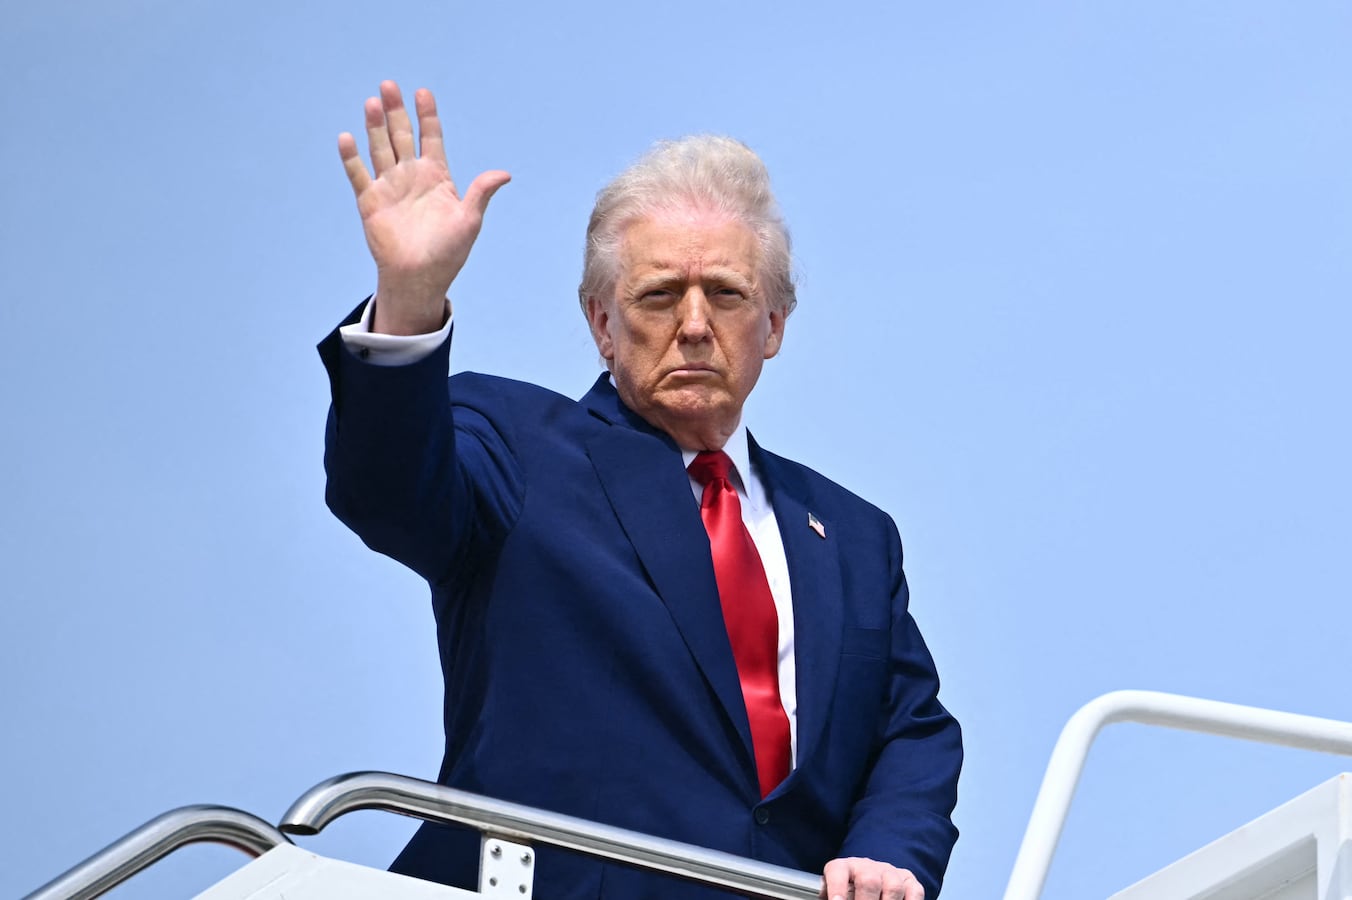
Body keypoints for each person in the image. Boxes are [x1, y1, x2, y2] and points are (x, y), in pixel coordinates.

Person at [318, 81, 962, 900]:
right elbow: (386, 490)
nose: (694, 324)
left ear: (773, 327)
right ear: (601, 325)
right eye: (659, 295)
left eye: (726, 294)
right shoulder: (516, 445)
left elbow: (913, 731)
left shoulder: (855, 535)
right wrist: (408, 300)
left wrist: (888, 853)